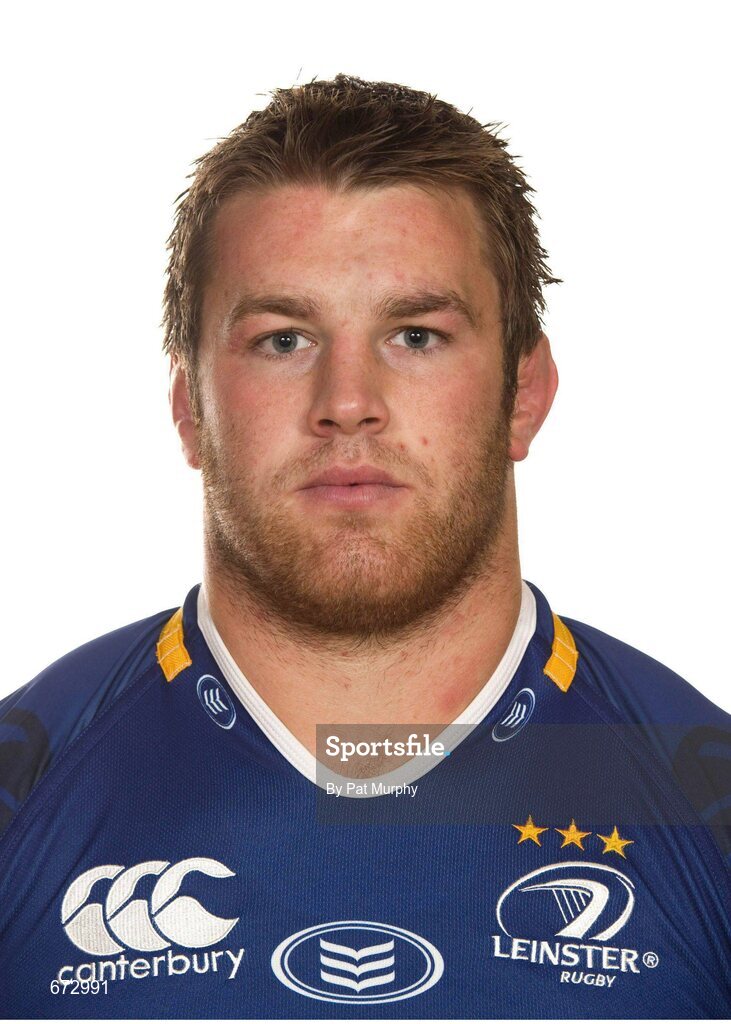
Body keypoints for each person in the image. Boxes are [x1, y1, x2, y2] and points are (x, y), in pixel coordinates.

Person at [0, 74, 728, 1020]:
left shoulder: (701, 797)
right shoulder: (27, 789)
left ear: (524, 392)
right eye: (283, 339)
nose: (347, 401)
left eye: (416, 335)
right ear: (188, 408)